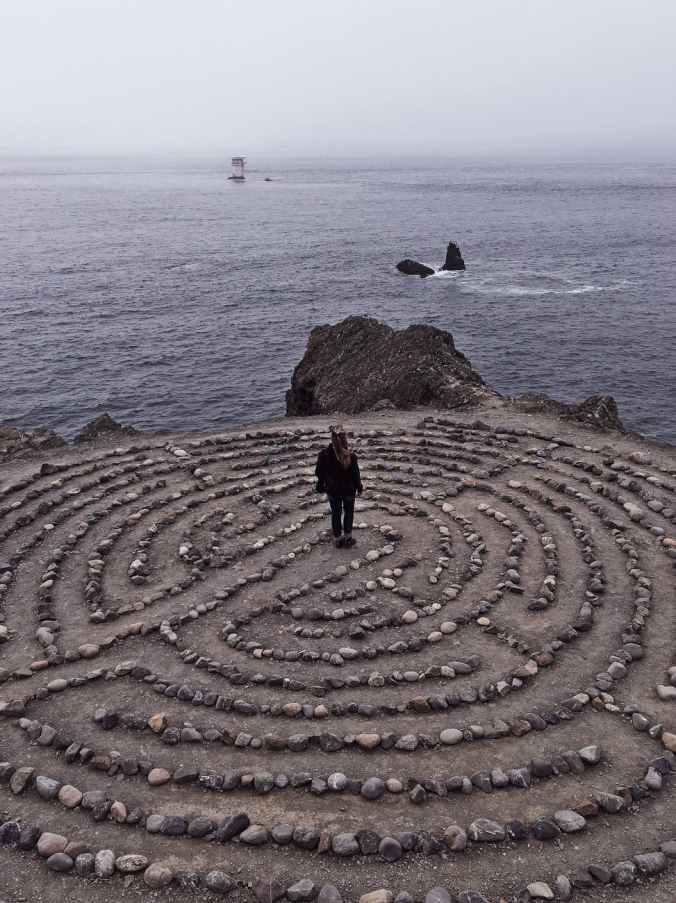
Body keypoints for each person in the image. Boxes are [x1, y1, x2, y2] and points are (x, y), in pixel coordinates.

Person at [315, 424, 363, 547]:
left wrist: (320, 485)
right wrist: (359, 487)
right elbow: (355, 474)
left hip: (332, 491)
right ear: (344, 439)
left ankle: (338, 539)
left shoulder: (323, 455)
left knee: (336, 513)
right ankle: (348, 538)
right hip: (348, 491)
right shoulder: (350, 456)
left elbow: (319, 472)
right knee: (349, 513)